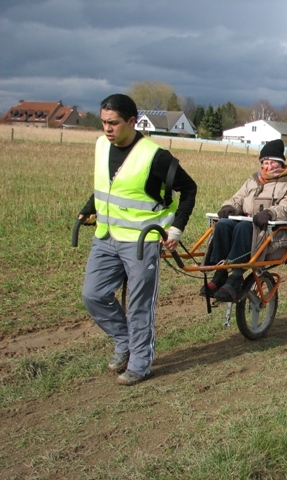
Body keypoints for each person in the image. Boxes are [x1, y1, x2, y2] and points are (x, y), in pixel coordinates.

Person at [78, 94, 197, 386]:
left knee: (140, 305)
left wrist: (176, 230)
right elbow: (108, 185)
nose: (107, 128)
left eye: (114, 123)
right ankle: (124, 341)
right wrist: (88, 209)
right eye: (104, 122)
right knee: (92, 295)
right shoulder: (100, 146)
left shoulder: (154, 156)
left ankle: (141, 364)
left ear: (132, 122)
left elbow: (189, 189)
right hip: (105, 237)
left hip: (141, 243)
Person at [202, 139, 287, 302]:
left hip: (272, 229)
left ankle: (235, 277)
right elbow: (239, 197)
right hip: (248, 222)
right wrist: (229, 206)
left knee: (243, 227)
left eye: (272, 163)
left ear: (281, 164)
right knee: (223, 225)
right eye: (265, 162)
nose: (268, 167)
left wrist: (270, 213)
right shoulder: (253, 180)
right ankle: (220, 273)